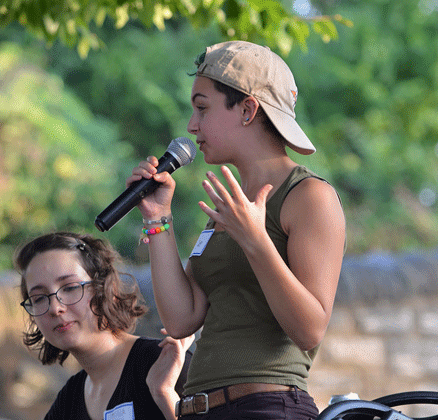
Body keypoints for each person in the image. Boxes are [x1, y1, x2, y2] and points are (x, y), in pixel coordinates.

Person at [126, 40, 346, 419]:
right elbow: (181, 319)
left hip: (265, 406)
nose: (191, 125)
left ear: (247, 109)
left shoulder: (310, 196)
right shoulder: (230, 209)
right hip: (199, 408)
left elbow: (310, 330)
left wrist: (256, 241)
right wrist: (157, 217)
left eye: (202, 108)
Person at [15, 232, 193, 420]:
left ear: (105, 287)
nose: (55, 307)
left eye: (70, 287)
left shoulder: (165, 363)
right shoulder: (68, 401)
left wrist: (164, 393)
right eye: (39, 298)